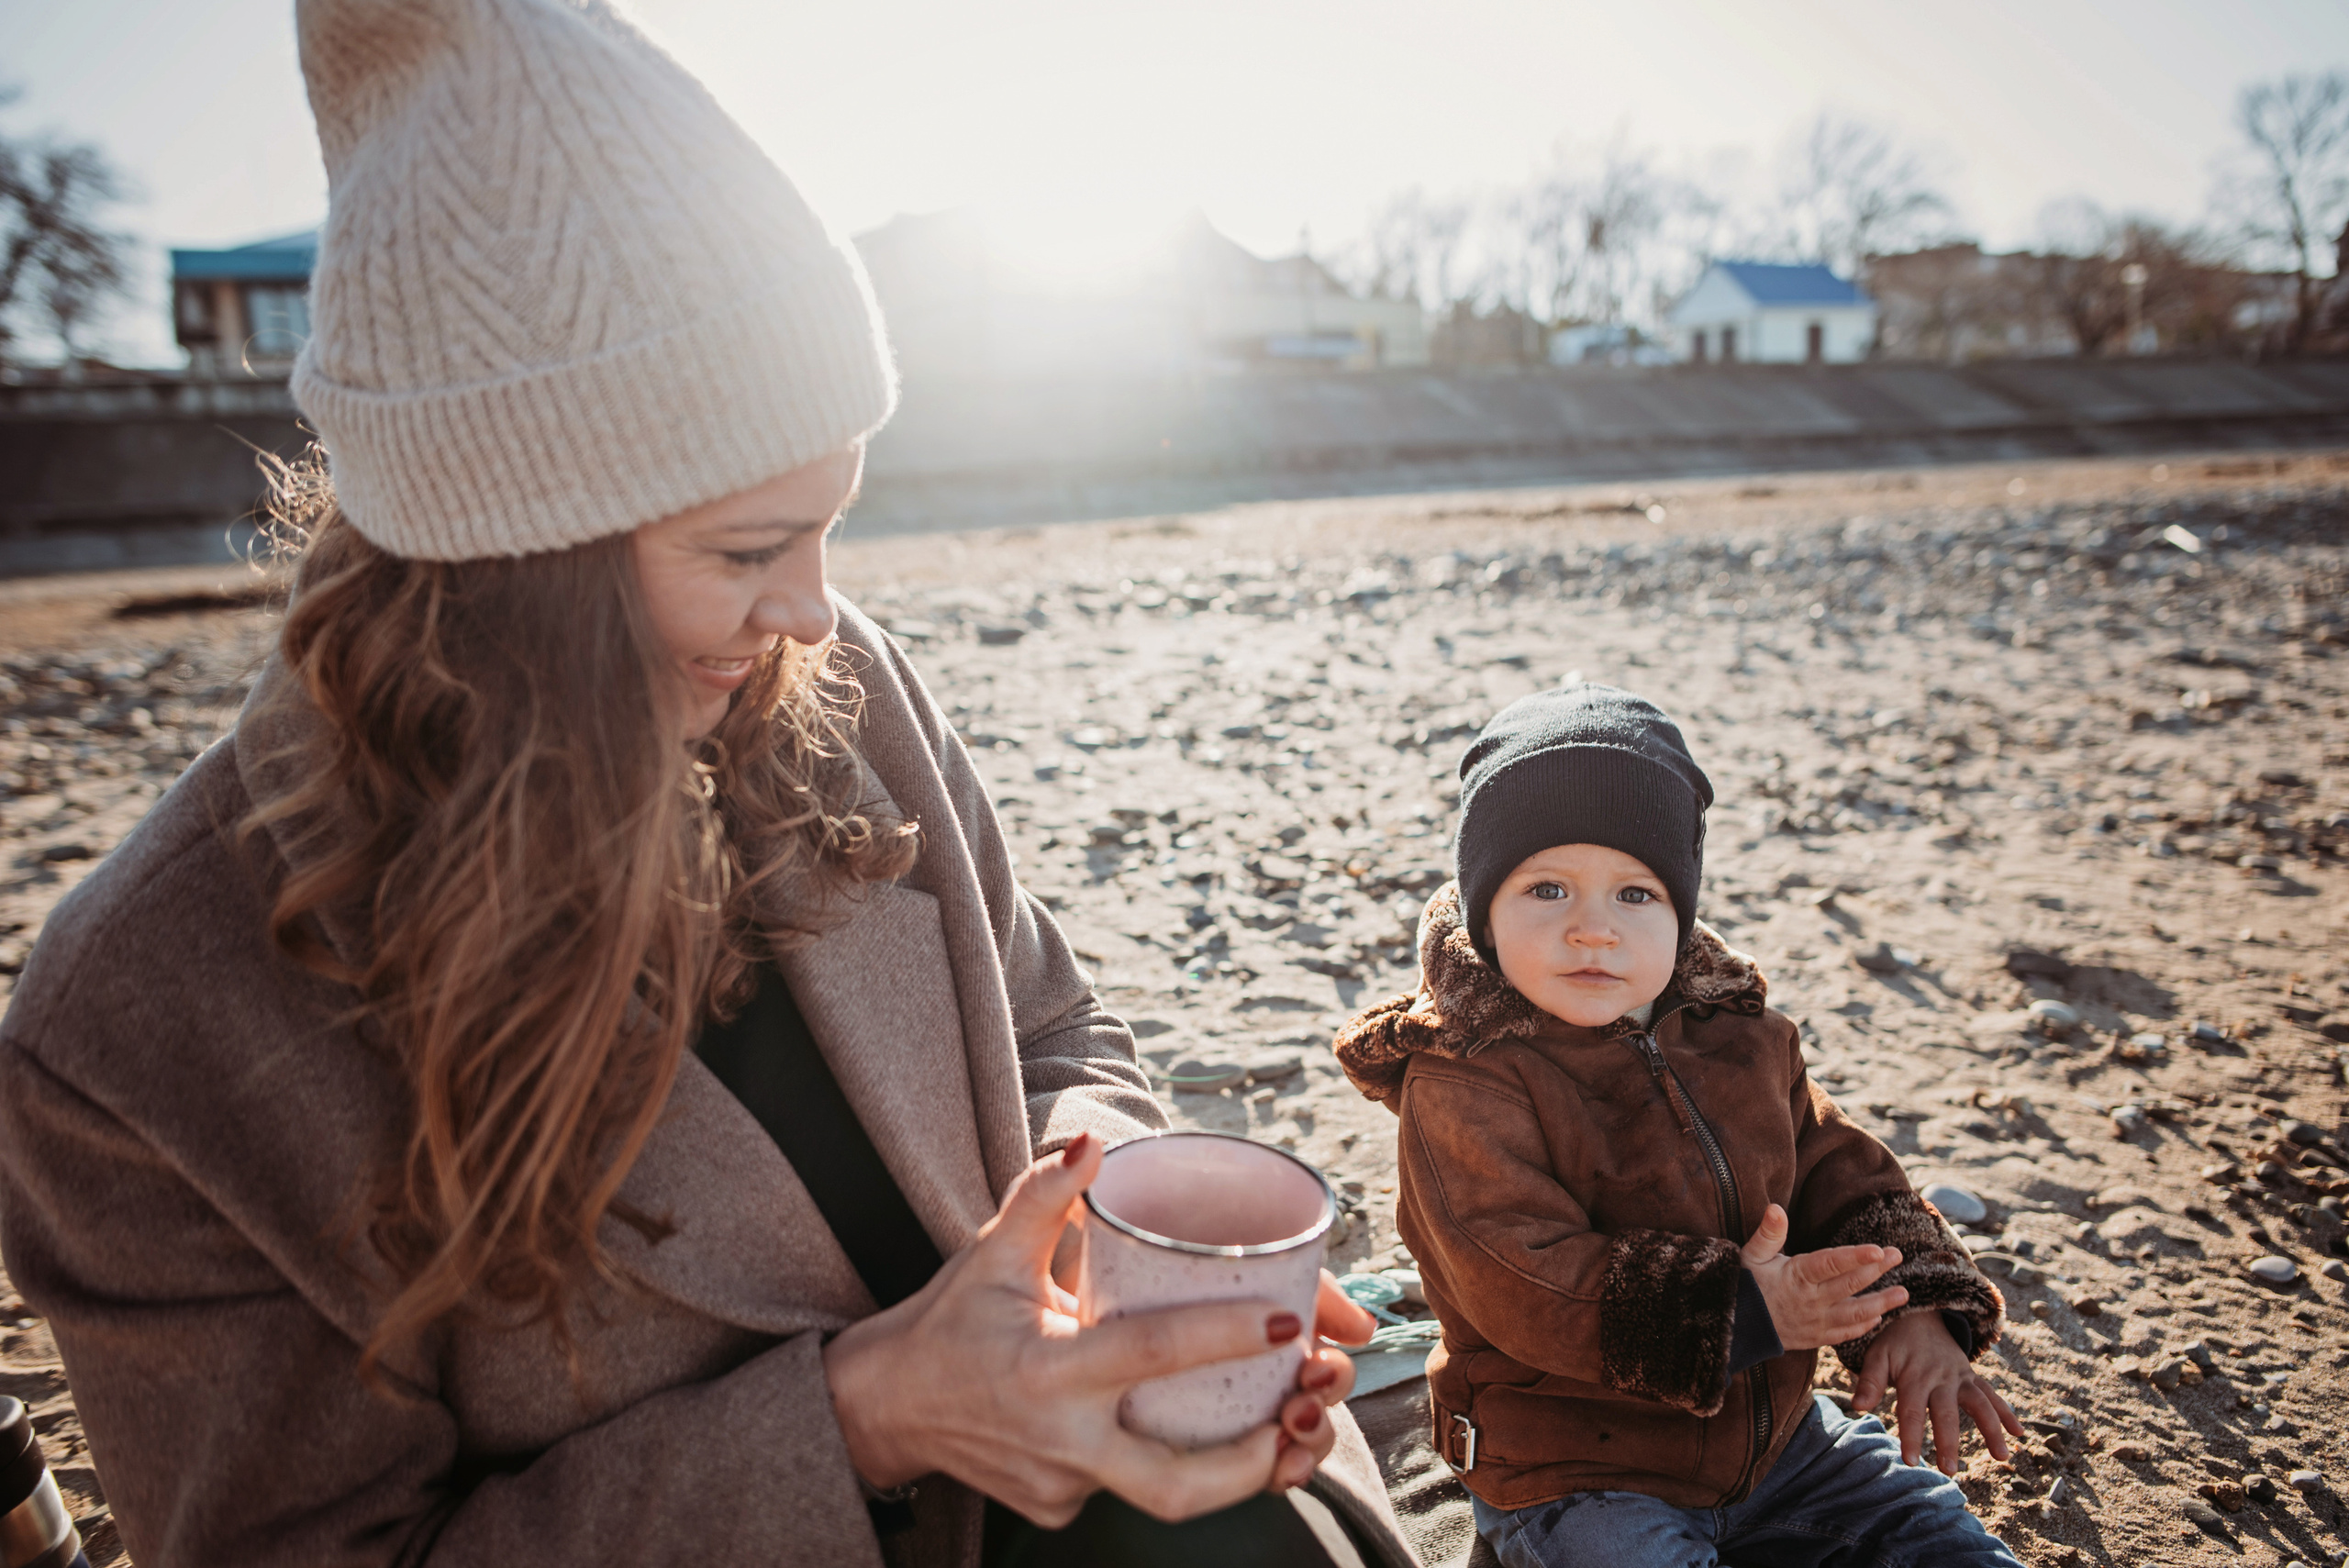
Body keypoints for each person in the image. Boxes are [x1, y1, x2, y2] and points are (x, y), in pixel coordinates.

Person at [0, 3, 1419, 1565]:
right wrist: (872, 1412)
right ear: (513, 553)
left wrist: (1131, 1221)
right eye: (747, 549)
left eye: (831, 526)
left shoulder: (828, 677)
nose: (815, 607)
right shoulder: (133, 1029)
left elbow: (1046, 1026)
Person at [1330, 684, 2027, 1568]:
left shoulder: (1741, 1035)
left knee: (1932, 1533)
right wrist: (1738, 1308)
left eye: (1636, 892)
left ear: (1681, 910)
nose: (1593, 928)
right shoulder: (1466, 1076)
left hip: (1776, 1449)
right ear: (1483, 907)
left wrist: (1910, 1307)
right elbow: (1518, 1275)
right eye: (1546, 887)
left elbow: (1832, 1165)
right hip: (1575, 1463)